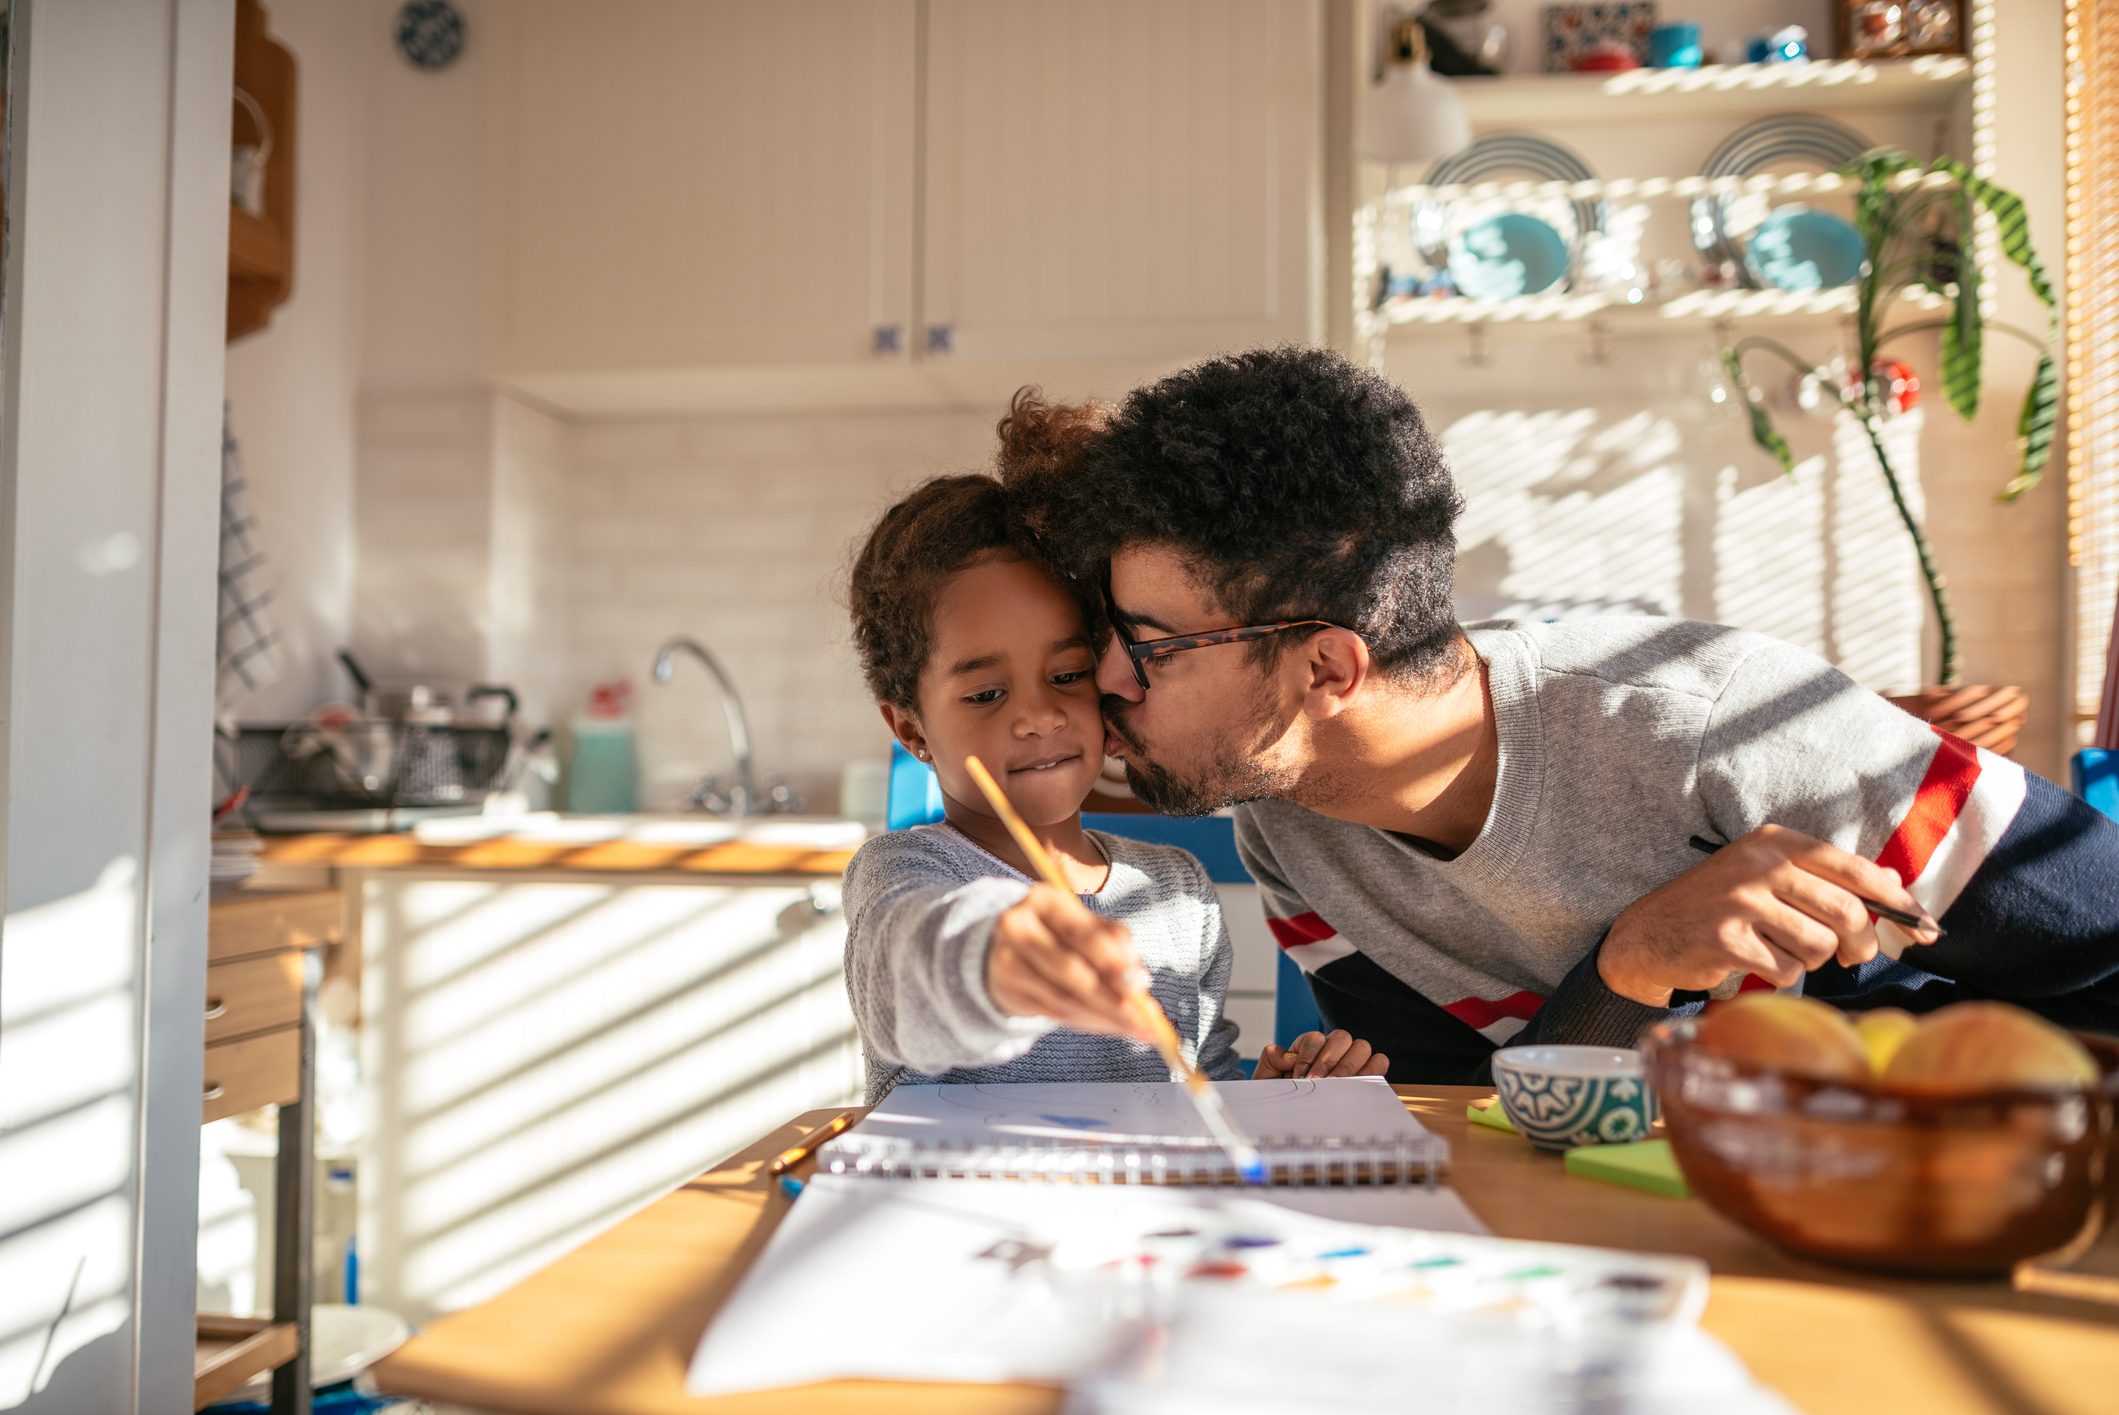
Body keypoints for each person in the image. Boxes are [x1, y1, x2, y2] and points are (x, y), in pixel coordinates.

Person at [1009, 346, 2119, 1084]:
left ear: (1327, 668)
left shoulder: (1727, 725)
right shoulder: (1293, 828)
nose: (1106, 676)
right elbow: (1491, 1107)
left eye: (1145, 642)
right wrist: (1631, 964)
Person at [839, 391, 1390, 1102]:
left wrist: (1274, 1095)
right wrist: (996, 958)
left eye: (1065, 675)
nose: (1037, 716)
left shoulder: (1176, 889)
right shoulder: (906, 871)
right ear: (911, 728)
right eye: (985, 694)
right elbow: (907, 974)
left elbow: (1197, 1083)